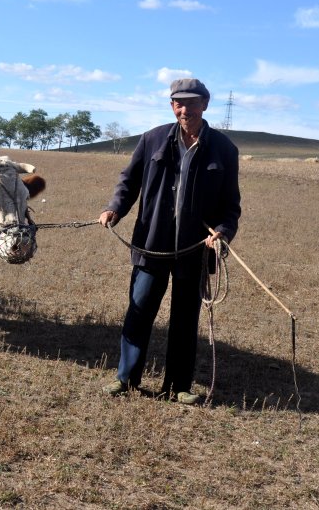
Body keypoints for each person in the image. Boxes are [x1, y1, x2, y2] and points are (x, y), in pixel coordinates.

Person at [99, 78, 241, 404]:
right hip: (152, 243)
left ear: (205, 105)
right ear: (171, 105)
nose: (185, 109)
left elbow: (230, 206)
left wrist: (222, 231)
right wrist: (114, 208)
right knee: (139, 310)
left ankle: (178, 386)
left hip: (193, 250)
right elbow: (129, 180)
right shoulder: (152, 139)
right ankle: (126, 378)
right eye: (178, 102)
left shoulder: (224, 149)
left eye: (191, 103)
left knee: (184, 319)